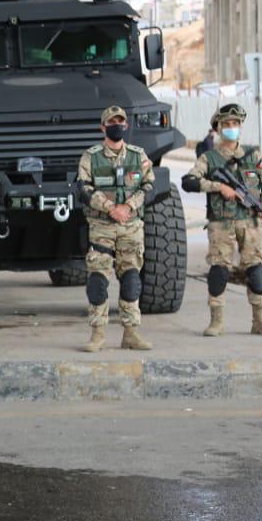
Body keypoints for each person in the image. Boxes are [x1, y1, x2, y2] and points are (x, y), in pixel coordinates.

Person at [181, 103, 262, 336]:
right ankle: (216, 321)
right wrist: (218, 187)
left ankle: (259, 320)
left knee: (256, 270)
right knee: (219, 271)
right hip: (221, 223)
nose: (232, 128)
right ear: (218, 127)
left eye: (235, 124)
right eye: (227, 124)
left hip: (251, 221)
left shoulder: (252, 156)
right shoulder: (209, 158)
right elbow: (189, 181)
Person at [75, 106, 155, 352]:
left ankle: (130, 333)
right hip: (101, 226)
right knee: (98, 281)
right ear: (103, 127)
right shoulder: (91, 157)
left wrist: (128, 206)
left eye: (120, 121)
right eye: (111, 122)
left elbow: (149, 186)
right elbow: (83, 189)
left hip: (131, 227)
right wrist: (111, 207)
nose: (117, 125)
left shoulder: (138, 156)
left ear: (126, 125)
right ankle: (98, 334)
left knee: (131, 279)